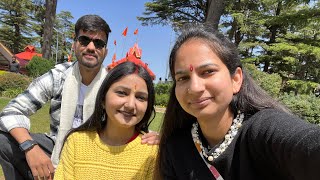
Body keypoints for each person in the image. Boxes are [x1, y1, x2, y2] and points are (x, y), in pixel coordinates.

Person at [0, 14, 159, 180]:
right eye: (84, 40)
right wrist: (30, 147)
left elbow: (128, 120)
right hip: (57, 146)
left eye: (99, 43)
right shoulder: (58, 76)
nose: (91, 47)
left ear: (105, 51)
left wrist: (156, 137)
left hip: (96, 149)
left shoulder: (114, 85)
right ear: (74, 44)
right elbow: (11, 112)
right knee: (4, 141)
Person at [156, 23, 320, 180]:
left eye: (208, 71)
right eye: (183, 78)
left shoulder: (262, 131)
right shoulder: (176, 147)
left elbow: (307, 144)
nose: (195, 87)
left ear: (236, 79)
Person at [54, 61, 158, 179]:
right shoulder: (76, 143)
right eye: (122, 93)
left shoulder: (152, 152)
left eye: (140, 97)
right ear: (103, 99)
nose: (130, 105)